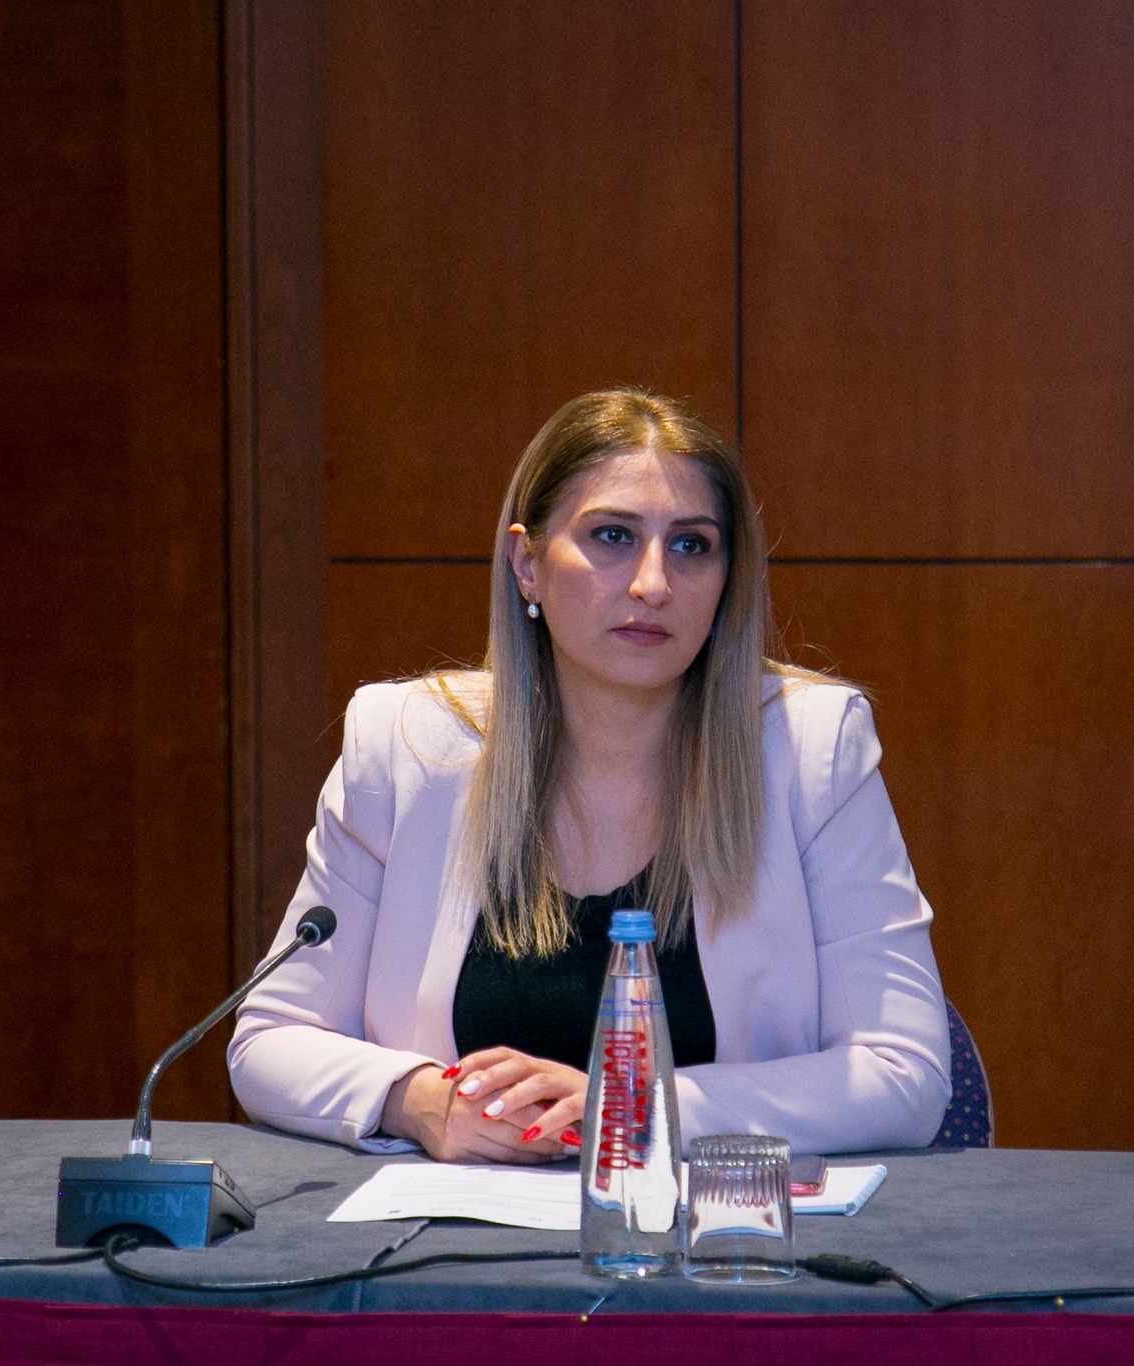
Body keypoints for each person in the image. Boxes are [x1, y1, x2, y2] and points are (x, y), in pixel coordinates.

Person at [228, 388, 950, 1161]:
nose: (652, 583)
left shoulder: (812, 751)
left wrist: (644, 1105)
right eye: (613, 536)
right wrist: (417, 1101)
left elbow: (903, 1074)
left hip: (706, 1224)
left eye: (692, 545)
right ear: (527, 564)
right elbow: (269, 1040)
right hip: (454, 1225)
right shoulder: (407, 746)